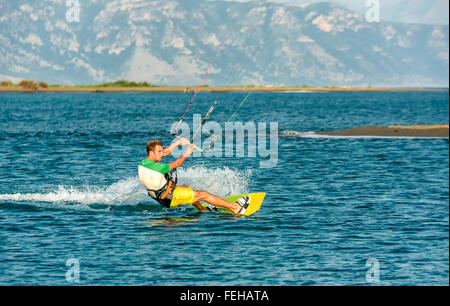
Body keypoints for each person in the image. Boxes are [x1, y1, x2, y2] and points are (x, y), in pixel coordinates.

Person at [138, 138, 250, 214]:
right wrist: (188, 152)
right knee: (203, 194)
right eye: (159, 152)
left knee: (186, 188)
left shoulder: (144, 162)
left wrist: (178, 142)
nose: (162, 154)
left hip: (160, 196)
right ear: (151, 153)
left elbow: (165, 153)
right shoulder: (159, 167)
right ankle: (235, 208)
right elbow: (177, 163)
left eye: (162, 151)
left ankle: (203, 210)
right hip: (170, 197)